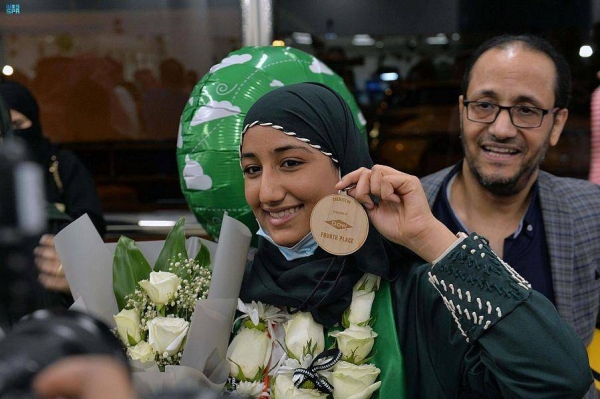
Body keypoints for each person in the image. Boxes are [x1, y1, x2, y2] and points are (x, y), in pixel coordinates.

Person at [235, 82, 593, 397]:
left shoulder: (414, 294)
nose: (266, 193)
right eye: (252, 169)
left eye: (290, 163)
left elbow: (558, 378)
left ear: (343, 168)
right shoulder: (233, 290)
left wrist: (430, 238)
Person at [419, 34, 600, 398]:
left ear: (557, 124)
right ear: (461, 109)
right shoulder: (410, 217)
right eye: (484, 105)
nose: (501, 129)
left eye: (527, 110)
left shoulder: (590, 213)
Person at [0, 80, 106, 302]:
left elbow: (90, 221)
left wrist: (63, 250)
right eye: (7, 129)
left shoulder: (62, 164)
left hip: (59, 289)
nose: (14, 138)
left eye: (19, 126)